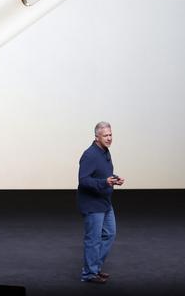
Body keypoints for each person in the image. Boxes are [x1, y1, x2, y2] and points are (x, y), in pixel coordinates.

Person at [77, 121, 125, 284]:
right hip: (92, 204)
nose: (109, 138)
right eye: (105, 135)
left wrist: (114, 179)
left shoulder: (105, 152)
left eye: (110, 135)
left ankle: (94, 268)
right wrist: (105, 182)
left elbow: (103, 174)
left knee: (110, 234)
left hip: (105, 201)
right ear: (97, 137)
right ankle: (89, 274)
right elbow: (83, 180)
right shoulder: (90, 155)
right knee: (93, 239)